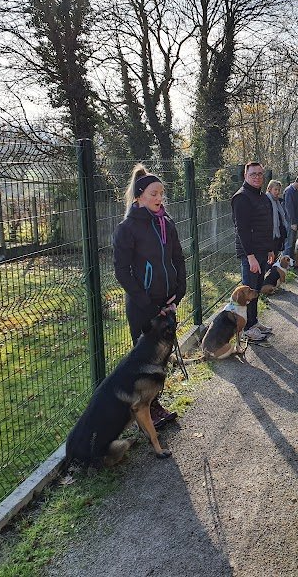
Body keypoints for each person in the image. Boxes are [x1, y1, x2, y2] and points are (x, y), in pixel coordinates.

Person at [113, 163, 186, 428]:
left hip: (168, 303)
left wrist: (179, 291)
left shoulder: (167, 222)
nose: (159, 198)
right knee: (146, 364)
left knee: (163, 358)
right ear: (140, 196)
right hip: (144, 308)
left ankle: (154, 405)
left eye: (161, 193)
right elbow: (122, 271)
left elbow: (177, 257)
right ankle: (147, 409)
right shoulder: (127, 228)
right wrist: (148, 302)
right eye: (153, 193)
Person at [231, 161, 275, 342]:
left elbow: (267, 225)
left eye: (259, 174)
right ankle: (247, 328)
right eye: (253, 174)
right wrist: (250, 257)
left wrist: (271, 248)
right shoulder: (241, 197)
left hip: (263, 251)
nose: (257, 177)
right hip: (251, 255)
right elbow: (241, 229)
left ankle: (254, 322)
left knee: (255, 290)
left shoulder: (263, 197)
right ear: (245, 175)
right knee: (247, 292)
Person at [283, 174, 298, 262]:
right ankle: (286, 263)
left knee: (292, 242)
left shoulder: (295, 191)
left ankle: (292, 262)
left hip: (294, 221)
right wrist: (293, 222)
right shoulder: (289, 191)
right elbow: (289, 208)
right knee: (289, 243)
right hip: (290, 221)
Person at [266, 178, 289, 261]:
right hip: (269, 236)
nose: (277, 192)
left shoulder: (277, 201)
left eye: (279, 190)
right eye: (275, 189)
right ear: (269, 189)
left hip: (277, 236)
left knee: (275, 259)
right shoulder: (266, 201)